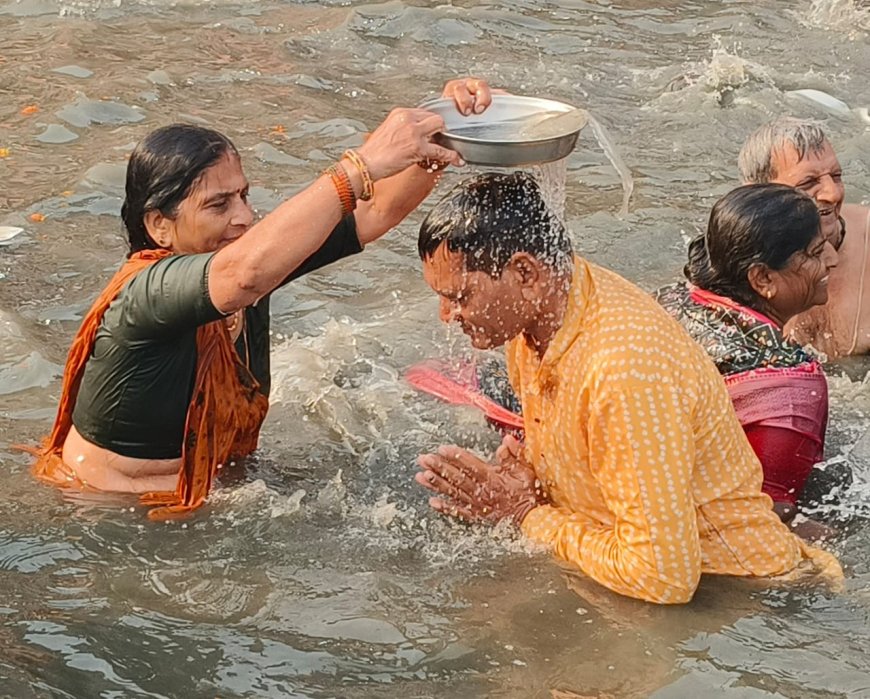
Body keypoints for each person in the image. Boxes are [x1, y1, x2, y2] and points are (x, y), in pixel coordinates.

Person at [27, 78, 494, 520]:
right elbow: (244, 274)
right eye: (218, 205)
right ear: (159, 226)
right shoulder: (148, 294)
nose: (245, 218)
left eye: (244, 197)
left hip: (213, 489)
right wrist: (359, 165)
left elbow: (372, 211)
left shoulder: (247, 264)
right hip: (110, 514)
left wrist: (442, 135)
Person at [413, 171, 841, 605]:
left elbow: (662, 579)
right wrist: (535, 478)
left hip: (745, 599)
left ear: (525, 272)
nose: (447, 315)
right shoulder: (544, 313)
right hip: (651, 574)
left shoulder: (623, 367)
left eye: (461, 296)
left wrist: (525, 513)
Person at [653, 184, 840, 529]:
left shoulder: (672, 301)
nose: (833, 259)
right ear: (763, 278)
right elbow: (761, 519)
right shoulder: (792, 388)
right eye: (815, 253)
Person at [738, 117, 870, 357]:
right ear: (758, 195)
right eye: (809, 182)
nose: (833, 193)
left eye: (837, 176)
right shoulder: (734, 259)